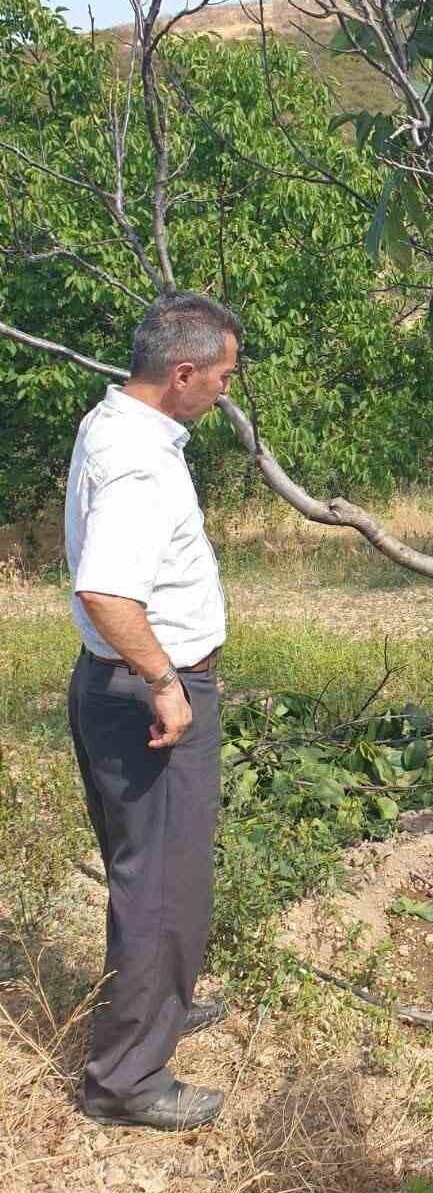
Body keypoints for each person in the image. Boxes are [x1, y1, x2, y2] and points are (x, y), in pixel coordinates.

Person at [66, 291, 241, 1131]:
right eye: (222, 376)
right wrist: (167, 682)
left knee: (149, 878)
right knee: (164, 888)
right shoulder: (140, 462)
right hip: (148, 699)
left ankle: (159, 1004)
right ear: (182, 373)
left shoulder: (116, 424)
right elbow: (105, 590)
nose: (226, 390)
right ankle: (127, 1082)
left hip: (117, 687)